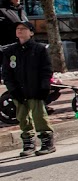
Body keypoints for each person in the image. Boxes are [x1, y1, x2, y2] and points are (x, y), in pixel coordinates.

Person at [2, 20, 55, 156]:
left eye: (23, 29)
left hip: (35, 89)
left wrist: (44, 86)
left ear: (31, 32)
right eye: (18, 29)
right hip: (18, 91)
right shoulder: (10, 51)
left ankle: (47, 141)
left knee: (39, 116)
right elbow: (7, 73)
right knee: (22, 117)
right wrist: (12, 89)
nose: (20, 31)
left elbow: (46, 69)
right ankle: (28, 143)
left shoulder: (39, 49)